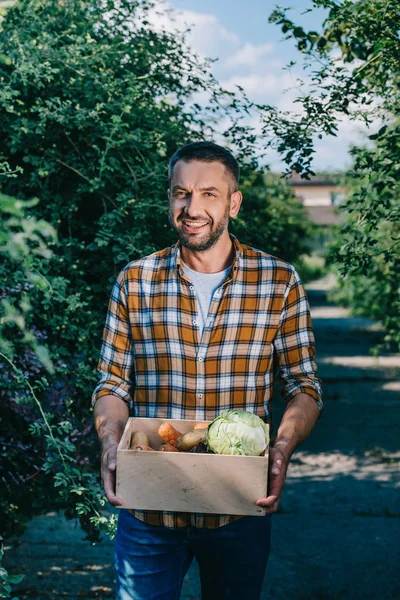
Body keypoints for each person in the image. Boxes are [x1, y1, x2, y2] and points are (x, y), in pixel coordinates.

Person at [92, 141, 323, 600]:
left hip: (237, 508)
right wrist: (109, 443)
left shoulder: (278, 281)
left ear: (233, 202)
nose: (192, 207)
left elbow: (304, 385)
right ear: (170, 198)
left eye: (208, 194)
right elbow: (113, 383)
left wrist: (281, 448)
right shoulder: (135, 280)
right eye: (181, 193)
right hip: (149, 510)